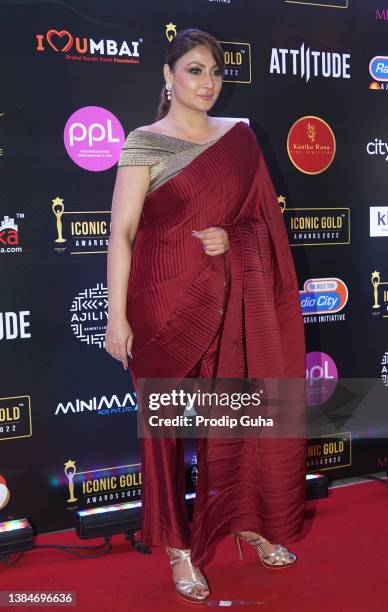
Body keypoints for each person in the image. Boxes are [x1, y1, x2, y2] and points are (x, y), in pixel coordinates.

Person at [105, 28, 306, 605]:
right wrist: (116, 318)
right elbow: (121, 235)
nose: (208, 82)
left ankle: (249, 520)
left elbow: (265, 223)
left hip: (233, 303)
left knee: (242, 414)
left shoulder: (241, 138)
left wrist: (233, 237)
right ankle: (178, 548)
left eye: (215, 71)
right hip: (161, 304)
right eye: (195, 70)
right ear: (168, 77)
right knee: (165, 433)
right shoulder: (145, 142)